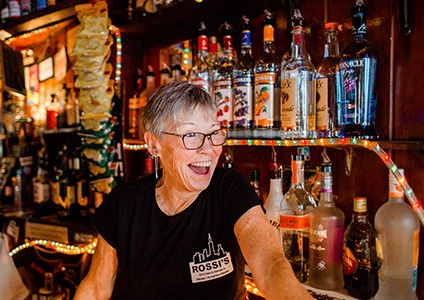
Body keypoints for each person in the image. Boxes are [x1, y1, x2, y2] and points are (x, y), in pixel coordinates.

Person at [75, 82, 313, 299]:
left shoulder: (229, 189)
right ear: (153, 144)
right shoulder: (125, 205)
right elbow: (96, 289)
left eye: (213, 134)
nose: (208, 150)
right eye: (191, 135)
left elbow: (270, 264)